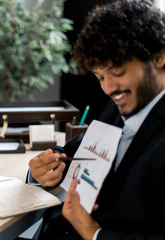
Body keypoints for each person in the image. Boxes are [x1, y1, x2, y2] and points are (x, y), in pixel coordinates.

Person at [28, 1, 165, 239]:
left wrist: (93, 233)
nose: (109, 88)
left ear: (158, 57)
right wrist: (45, 170)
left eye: (117, 72)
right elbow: (73, 152)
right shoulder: (115, 110)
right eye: (100, 77)